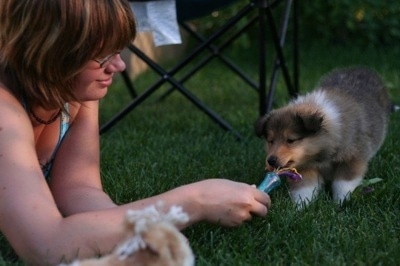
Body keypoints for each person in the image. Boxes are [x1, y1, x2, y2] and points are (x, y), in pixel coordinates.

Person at [0, 0, 271, 265]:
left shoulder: (74, 91)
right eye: (103, 56)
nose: (119, 65)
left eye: (119, 51)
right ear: (48, 53)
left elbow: (78, 189)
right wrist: (193, 201)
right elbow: (45, 245)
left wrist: (140, 232)